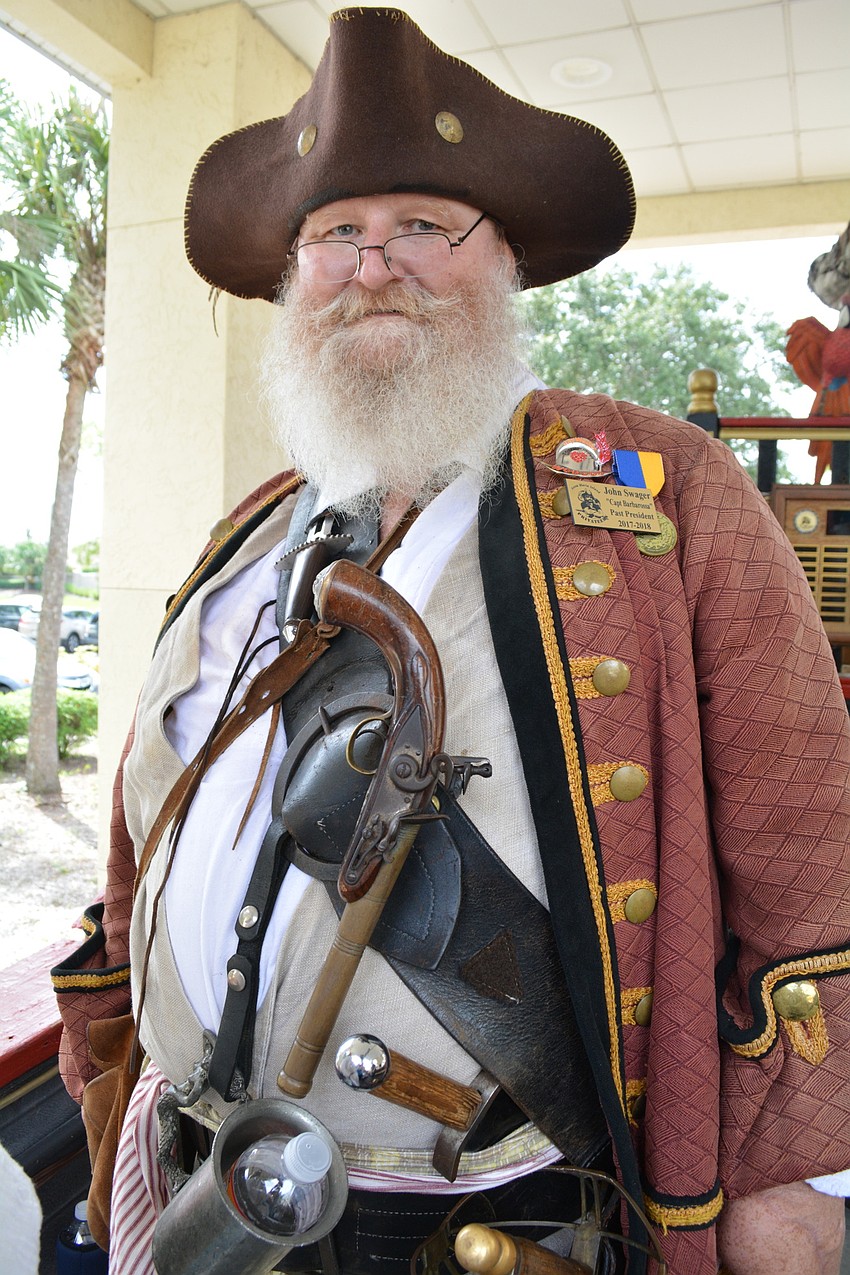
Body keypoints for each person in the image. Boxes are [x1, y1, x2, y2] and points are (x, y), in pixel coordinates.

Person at [52, 9, 850, 1275]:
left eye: (423, 225)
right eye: (335, 234)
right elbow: (144, 827)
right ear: (293, 277)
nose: (374, 267)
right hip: (191, 1177)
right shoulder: (248, 533)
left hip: (477, 1224)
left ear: (506, 258)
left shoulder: (664, 491)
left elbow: (806, 851)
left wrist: (783, 1183)